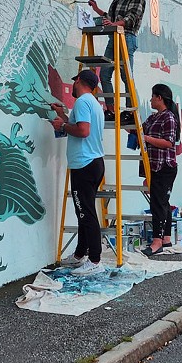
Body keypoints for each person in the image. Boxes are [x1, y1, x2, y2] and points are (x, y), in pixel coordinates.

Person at [50, 70, 106, 276]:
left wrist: (63, 125)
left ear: (79, 81)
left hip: (84, 164)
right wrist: (64, 116)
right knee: (83, 210)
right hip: (93, 162)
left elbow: (83, 131)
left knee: (86, 212)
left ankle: (94, 260)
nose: (72, 86)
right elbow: (81, 126)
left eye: (74, 82)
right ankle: (80, 254)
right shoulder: (93, 103)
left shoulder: (82, 102)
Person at [88, 0, 147, 124]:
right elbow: (111, 18)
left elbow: (131, 18)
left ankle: (129, 111)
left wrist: (114, 24)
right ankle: (111, 110)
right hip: (114, 37)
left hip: (126, 37)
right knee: (105, 74)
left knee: (125, 75)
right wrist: (97, 10)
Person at [138, 84, 180, 256]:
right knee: (163, 202)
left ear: (159, 98)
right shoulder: (153, 118)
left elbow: (169, 143)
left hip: (164, 167)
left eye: (152, 96)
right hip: (154, 166)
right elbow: (139, 129)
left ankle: (156, 242)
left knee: (158, 204)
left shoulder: (168, 118)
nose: (150, 100)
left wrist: (146, 138)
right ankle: (166, 239)